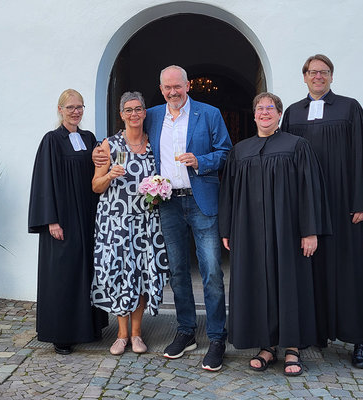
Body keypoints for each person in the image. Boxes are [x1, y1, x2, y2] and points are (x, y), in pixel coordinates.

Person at [219, 92, 330, 376]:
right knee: (258, 284)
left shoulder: (297, 146)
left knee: (289, 284)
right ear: (254, 115)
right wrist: (227, 228)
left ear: (279, 114)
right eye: (260, 108)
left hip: (288, 231)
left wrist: (310, 231)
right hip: (250, 233)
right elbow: (228, 192)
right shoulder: (240, 151)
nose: (265, 112)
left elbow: (309, 190)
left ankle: (292, 347)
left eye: (270, 108)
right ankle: (266, 346)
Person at [281, 54, 363, 368]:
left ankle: (359, 338)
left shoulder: (349, 108)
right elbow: (283, 157)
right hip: (306, 205)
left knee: (350, 269)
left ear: (332, 76)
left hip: (343, 204)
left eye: (323, 72)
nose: (318, 77)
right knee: (312, 268)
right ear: (305, 77)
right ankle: (318, 332)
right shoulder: (293, 112)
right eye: (312, 72)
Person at [144, 65, 232, 371]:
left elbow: (226, 151)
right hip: (167, 202)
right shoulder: (152, 115)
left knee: (211, 272)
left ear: (188, 85)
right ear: (161, 89)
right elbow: (131, 136)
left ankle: (217, 337)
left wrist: (200, 161)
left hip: (201, 199)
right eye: (167, 88)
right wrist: (101, 152)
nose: (173, 92)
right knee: (178, 271)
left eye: (177, 86)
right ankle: (186, 331)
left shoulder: (209, 113)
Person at [28, 89, 108, 355]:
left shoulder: (89, 138)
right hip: (63, 219)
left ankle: (89, 328)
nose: (76, 112)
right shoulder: (52, 140)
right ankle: (61, 334)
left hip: (87, 216)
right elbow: (44, 182)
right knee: (63, 275)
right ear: (60, 109)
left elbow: (98, 174)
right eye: (71, 107)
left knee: (87, 271)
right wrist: (51, 220)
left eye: (80, 107)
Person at [90, 91, 169, 355]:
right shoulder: (109, 145)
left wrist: (160, 191)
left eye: (138, 109)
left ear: (145, 113)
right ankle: (121, 335)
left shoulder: (154, 144)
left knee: (143, 275)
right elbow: (95, 186)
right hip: (116, 222)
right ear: (121, 115)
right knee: (120, 274)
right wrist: (109, 175)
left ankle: (136, 334)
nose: (134, 114)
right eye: (128, 110)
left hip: (146, 222)